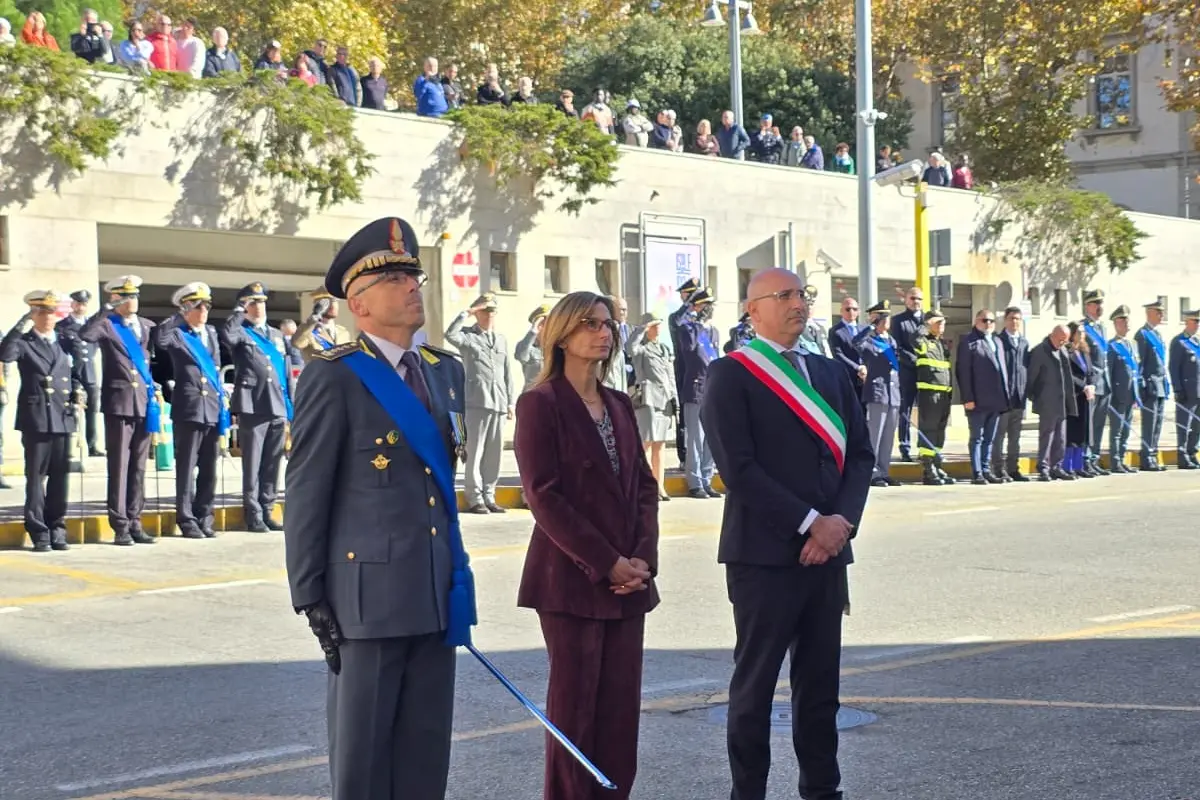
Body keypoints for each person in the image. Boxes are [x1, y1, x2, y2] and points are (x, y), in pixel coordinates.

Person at [284, 216, 474, 800]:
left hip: (435, 592)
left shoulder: (446, 373)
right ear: (358, 304)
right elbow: (307, 492)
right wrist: (310, 595)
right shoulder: (334, 377)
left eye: (413, 274)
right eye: (394, 277)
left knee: (424, 761)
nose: (413, 284)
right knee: (364, 765)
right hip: (365, 601)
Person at [701, 268, 873, 800]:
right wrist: (809, 523)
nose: (798, 303)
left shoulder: (832, 374)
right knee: (755, 688)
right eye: (784, 295)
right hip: (765, 557)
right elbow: (740, 468)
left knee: (820, 688)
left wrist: (838, 527)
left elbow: (861, 456)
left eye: (803, 294)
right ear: (752, 310)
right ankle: (747, 792)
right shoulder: (731, 374)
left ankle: (823, 789)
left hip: (829, 554)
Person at [513, 291, 659, 800]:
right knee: (575, 713)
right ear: (563, 335)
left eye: (609, 324)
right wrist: (607, 563)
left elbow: (643, 485)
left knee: (620, 711)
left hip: (629, 580)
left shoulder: (618, 402)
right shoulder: (540, 403)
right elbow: (543, 496)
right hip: (571, 581)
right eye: (591, 324)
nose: (604, 333)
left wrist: (641, 559)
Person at [80, 275, 159, 546]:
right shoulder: (107, 326)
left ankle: (136, 520)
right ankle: (120, 524)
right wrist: (106, 309)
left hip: (142, 402)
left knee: (138, 466)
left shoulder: (147, 327)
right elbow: (85, 335)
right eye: (125, 296)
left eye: (134, 296)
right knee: (119, 466)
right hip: (118, 403)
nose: (132, 301)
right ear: (116, 299)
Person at [0, 291, 80, 552]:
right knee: (36, 479)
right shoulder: (25, 342)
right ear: (33, 315)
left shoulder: (63, 343)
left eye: (51, 312)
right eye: (41, 312)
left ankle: (57, 527)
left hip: (62, 417)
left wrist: (79, 391)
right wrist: (22, 323)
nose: (47, 317)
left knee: (60, 478)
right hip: (37, 419)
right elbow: (6, 353)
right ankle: (38, 531)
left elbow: (76, 373)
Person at [152, 282, 226, 539]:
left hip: (212, 408)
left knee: (209, 468)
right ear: (186, 308)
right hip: (190, 407)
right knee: (186, 468)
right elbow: (160, 340)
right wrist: (177, 316)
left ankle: (205, 516)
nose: (203, 310)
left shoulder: (212, 333)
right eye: (197, 306)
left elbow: (215, 366)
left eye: (206, 305)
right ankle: (186, 519)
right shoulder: (177, 333)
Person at [220, 282, 294, 532]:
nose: (259, 307)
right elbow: (227, 336)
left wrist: (290, 405)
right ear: (245, 306)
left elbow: (286, 373)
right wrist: (239, 313)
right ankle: (253, 514)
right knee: (252, 463)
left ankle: (267, 509)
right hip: (253, 404)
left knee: (273, 463)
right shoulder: (241, 331)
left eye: (261, 302)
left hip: (276, 405)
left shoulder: (276, 335)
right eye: (253, 302)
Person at [444, 292, 514, 514]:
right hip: (476, 401)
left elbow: (507, 374)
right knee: (474, 451)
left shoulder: (501, 339)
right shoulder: (468, 337)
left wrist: (510, 402)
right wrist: (467, 312)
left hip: (498, 402)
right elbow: (450, 334)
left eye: (492, 311)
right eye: (485, 311)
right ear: (478, 313)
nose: (489, 315)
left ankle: (489, 494)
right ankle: (475, 498)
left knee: (494, 453)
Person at [956, 309, 1011, 484]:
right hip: (977, 400)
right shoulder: (968, 342)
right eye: (984, 320)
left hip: (996, 400)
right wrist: (967, 398)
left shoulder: (997, 341)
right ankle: (977, 472)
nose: (988, 324)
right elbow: (963, 373)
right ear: (976, 321)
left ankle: (986, 470)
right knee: (977, 437)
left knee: (989, 438)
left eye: (991, 321)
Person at [676, 287, 722, 499]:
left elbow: (715, 358)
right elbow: (689, 349)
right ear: (696, 307)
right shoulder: (688, 329)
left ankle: (707, 478)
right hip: (694, 388)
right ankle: (695, 483)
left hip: (711, 389)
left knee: (711, 438)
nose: (709, 309)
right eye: (705, 305)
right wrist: (697, 325)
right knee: (695, 438)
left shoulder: (714, 331)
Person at [627, 312, 678, 500]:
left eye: (658, 325)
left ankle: (659, 486)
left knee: (660, 444)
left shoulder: (664, 349)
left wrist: (674, 398)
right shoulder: (641, 348)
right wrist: (642, 329)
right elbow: (629, 348)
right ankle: (646, 486)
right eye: (653, 325)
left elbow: (670, 376)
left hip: (664, 400)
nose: (657, 329)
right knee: (646, 444)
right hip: (647, 398)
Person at [853, 300, 900, 487]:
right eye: (883, 317)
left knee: (888, 436)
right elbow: (855, 342)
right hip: (877, 392)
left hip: (893, 393)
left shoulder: (891, 340)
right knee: (875, 435)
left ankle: (884, 470)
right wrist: (870, 325)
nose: (886, 321)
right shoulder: (869, 340)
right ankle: (872, 473)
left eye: (887, 317)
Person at [56, 289, 102, 456]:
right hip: (71, 373)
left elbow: (94, 347)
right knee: (71, 410)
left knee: (92, 410)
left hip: (89, 372)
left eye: (83, 304)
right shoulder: (62, 326)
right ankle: (69, 446)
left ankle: (92, 445)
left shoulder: (91, 325)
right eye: (77, 303)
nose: (80, 307)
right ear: (72, 304)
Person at [1027, 325, 1076, 481]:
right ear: (1052, 335)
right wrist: (1034, 397)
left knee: (1060, 437)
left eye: (1065, 341)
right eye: (1061, 340)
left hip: (1062, 401)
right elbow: (1031, 378)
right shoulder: (1040, 351)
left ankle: (1057, 466)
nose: (1063, 343)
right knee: (1046, 436)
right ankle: (1043, 467)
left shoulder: (1062, 350)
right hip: (1046, 401)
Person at [914, 310, 955, 485]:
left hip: (944, 394)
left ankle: (937, 465)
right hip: (929, 395)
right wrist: (924, 326)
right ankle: (928, 469)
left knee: (939, 432)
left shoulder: (941, 344)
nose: (942, 325)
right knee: (929, 431)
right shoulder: (923, 341)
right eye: (938, 322)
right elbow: (915, 342)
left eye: (943, 322)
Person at [992, 306, 1030, 481]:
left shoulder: (1023, 342)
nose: (1014, 322)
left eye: (1017, 319)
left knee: (1015, 437)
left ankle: (1013, 468)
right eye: (1011, 318)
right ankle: (998, 469)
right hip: (1002, 397)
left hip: (1019, 397)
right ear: (1005, 320)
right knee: (999, 435)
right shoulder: (998, 341)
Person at [890, 286, 925, 462]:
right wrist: (913, 359)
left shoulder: (928, 320)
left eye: (919, 299)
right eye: (912, 298)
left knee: (927, 411)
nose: (916, 302)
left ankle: (925, 448)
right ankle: (905, 447)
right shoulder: (898, 321)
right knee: (906, 410)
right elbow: (897, 347)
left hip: (927, 374)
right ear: (906, 300)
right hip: (908, 372)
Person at [1079, 290, 1112, 476]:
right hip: (1092, 383)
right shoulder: (1083, 328)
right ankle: (1085, 459)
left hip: (1104, 383)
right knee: (1089, 425)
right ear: (1087, 306)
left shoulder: (1102, 328)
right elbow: (1083, 357)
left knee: (1099, 424)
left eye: (1101, 303)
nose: (1100, 307)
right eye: (1095, 304)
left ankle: (1094, 458)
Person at [1134, 299, 1169, 471]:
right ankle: (1146, 457)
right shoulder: (1142, 335)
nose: (1162, 315)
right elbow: (1140, 363)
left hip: (1160, 383)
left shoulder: (1157, 334)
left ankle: (1153, 455)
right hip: (1149, 384)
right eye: (1159, 312)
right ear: (1149, 313)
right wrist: (1140, 386)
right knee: (1149, 423)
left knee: (1157, 423)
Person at [1106, 305, 1140, 473]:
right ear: (1116, 324)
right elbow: (1109, 374)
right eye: (1123, 321)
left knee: (1126, 430)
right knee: (1117, 431)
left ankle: (1122, 459)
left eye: (1127, 321)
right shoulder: (1111, 346)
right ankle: (1115, 461)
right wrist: (1111, 395)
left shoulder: (1131, 345)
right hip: (1117, 396)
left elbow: (1134, 371)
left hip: (1130, 394)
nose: (1127, 324)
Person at [1168, 309, 1200, 469]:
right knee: (1184, 425)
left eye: (1198, 322)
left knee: (1196, 425)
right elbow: (1173, 367)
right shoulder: (1179, 342)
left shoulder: (1197, 342)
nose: (1197, 325)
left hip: (1199, 391)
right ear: (1187, 322)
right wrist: (1177, 389)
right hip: (1186, 392)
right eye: (1195, 322)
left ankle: (1192, 452)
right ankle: (1182, 455)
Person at [1064, 322, 1095, 478]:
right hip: (1073, 397)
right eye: (1079, 332)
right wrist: (1083, 386)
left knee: (1083, 433)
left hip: (1085, 397)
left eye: (1083, 332)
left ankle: (1079, 465)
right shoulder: (1067, 352)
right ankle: (1068, 465)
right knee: (1072, 432)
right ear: (1072, 333)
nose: (1082, 335)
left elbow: (1090, 371)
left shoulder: (1084, 351)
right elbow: (1069, 375)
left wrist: (1092, 385)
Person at [291, 287, 353, 361]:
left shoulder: (343, 332)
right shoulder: (308, 330)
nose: (333, 305)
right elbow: (297, 343)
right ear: (318, 306)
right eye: (327, 302)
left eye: (335, 301)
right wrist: (313, 320)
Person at [514, 304, 549, 393]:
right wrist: (533, 331)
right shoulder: (528, 347)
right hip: (533, 397)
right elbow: (521, 356)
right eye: (543, 323)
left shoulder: (557, 346)